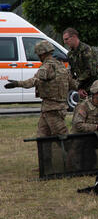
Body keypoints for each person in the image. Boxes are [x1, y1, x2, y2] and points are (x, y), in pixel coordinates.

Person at [5, 40, 77, 172]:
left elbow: (34, 81)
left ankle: (75, 165)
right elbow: (73, 84)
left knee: (64, 138)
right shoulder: (61, 66)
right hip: (50, 108)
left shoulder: (46, 67)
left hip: (53, 109)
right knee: (42, 138)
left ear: (41, 54)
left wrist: (17, 84)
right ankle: (45, 166)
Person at [62, 27, 98, 100]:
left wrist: (78, 84)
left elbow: (91, 71)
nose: (65, 42)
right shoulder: (70, 54)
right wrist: (79, 88)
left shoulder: (86, 50)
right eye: (64, 40)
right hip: (82, 90)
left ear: (74, 37)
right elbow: (72, 72)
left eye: (66, 39)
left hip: (94, 88)